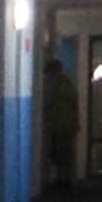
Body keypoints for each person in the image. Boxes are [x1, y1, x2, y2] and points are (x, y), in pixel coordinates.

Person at [42, 49, 79, 190]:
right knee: (58, 154)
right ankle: (62, 179)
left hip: (65, 125)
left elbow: (74, 105)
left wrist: (76, 123)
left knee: (64, 154)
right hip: (59, 124)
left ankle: (66, 181)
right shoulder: (60, 85)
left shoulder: (65, 85)